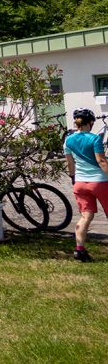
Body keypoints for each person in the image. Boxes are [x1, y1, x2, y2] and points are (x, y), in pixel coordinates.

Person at [64, 107, 108, 262]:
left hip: (80, 183)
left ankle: (79, 250)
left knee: (85, 216)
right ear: (90, 122)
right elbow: (101, 161)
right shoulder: (94, 139)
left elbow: (70, 164)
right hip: (100, 182)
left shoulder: (68, 140)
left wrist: (73, 178)